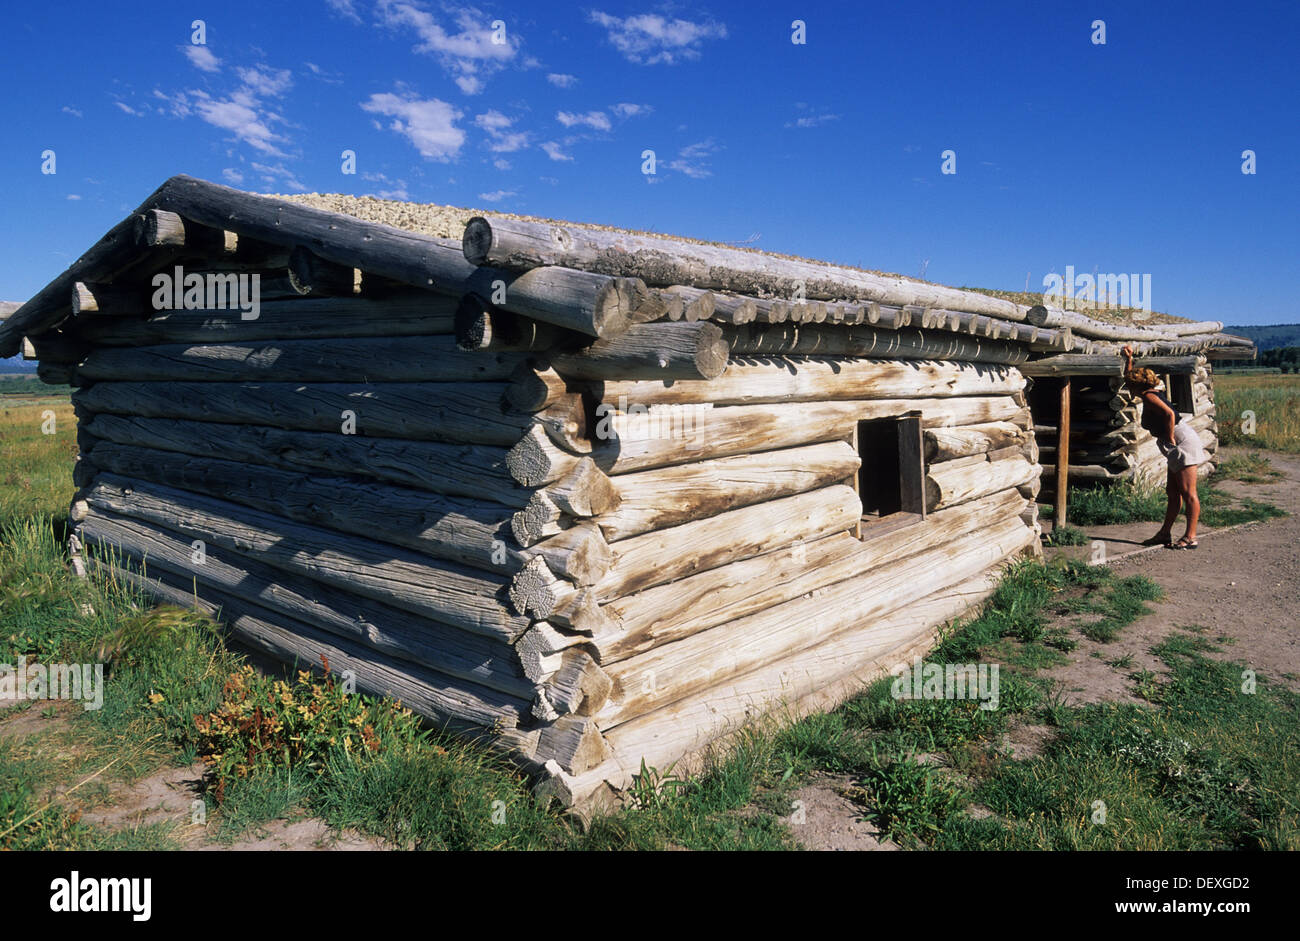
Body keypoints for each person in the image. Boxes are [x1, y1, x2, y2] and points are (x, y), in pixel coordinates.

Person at [1121, 345, 1208, 549]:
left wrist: (1169, 438)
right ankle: (1164, 534)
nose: (1128, 389)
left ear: (1138, 386)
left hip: (1181, 442)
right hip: (1177, 443)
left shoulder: (1150, 396)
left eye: (1130, 386)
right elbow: (1131, 377)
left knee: (1188, 493)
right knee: (1173, 492)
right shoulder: (1151, 390)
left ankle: (1191, 537)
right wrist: (1129, 360)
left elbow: (1169, 414)